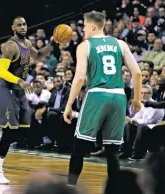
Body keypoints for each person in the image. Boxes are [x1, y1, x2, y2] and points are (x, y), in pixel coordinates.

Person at [63, 11, 142, 189]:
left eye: (84, 25)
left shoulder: (85, 46)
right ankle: (115, 190)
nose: (83, 29)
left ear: (92, 26)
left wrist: (69, 105)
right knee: (112, 151)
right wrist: (136, 99)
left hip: (97, 94)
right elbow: (137, 72)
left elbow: (79, 78)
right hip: (119, 96)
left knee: (79, 147)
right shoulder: (120, 44)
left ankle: (69, 188)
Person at [0, 16, 59, 184]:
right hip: (7, 90)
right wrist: (20, 80)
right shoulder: (9, 46)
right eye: (19, 24)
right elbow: (1, 71)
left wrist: (54, 42)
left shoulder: (27, 44)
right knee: (9, 130)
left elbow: (41, 56)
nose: (23, 27)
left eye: (25, 24)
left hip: (19, 91)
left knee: (23, 130)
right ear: (13, 27)